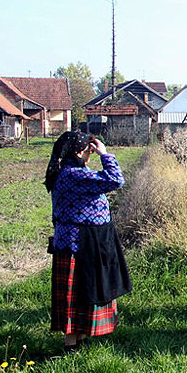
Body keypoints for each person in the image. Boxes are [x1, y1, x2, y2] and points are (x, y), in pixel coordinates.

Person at [44, 132, 131, 354]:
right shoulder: (73, 175)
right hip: (78, 245)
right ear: (78, 152)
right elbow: (116, 179)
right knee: (77, 296)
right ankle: (71, 346)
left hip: (83, 242)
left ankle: (80, 340)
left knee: (84, 294)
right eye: (88, 150)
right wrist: (105, 154)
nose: (91, 154)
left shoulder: (71, 171)